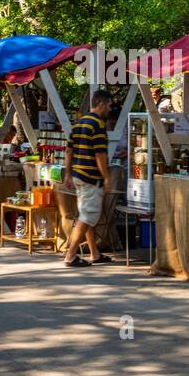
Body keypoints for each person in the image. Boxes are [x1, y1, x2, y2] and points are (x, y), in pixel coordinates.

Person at [62, 89, 114, 268]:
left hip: (78, 176)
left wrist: (68, 173)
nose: (109, 109)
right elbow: (100, 155)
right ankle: (70, 255)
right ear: (101, 104)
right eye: (109, 105)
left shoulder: (79, 123)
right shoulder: (97, 125)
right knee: (87, 217)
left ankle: (94, 253)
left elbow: (68, 150)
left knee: (87, 215)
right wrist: (107, 178)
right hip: (91, 178)